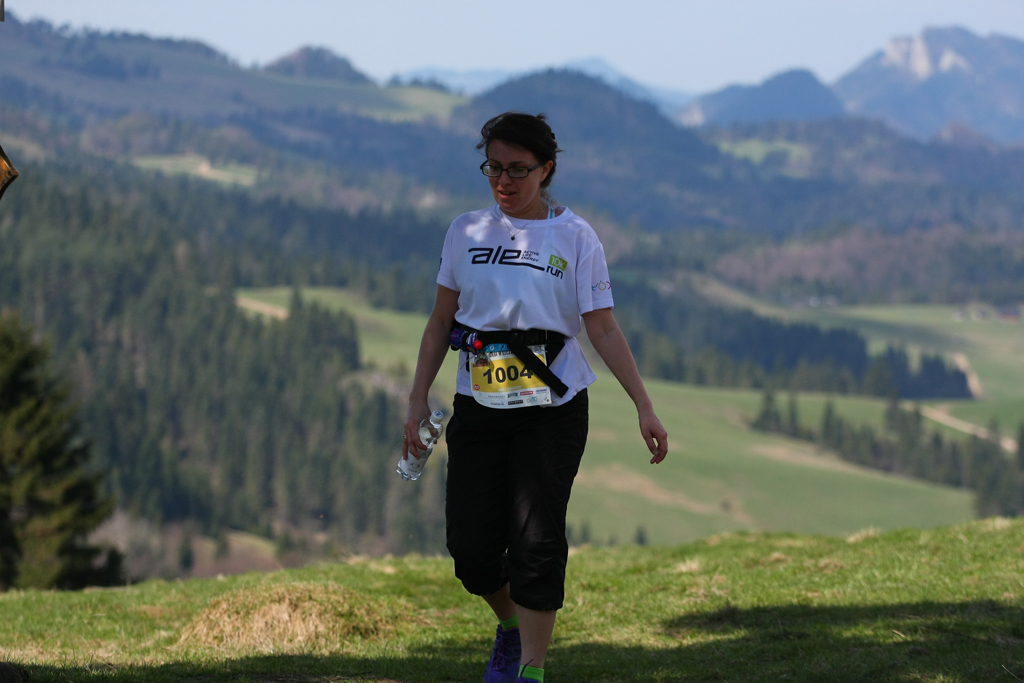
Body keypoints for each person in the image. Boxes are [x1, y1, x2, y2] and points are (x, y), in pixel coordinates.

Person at [403, 111, 668, 683]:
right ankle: (509, 626)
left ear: (546, 170)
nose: (504, 180)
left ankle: (531, 669)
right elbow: (440, 321)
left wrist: (644, 406)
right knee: (471, 550)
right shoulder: (464, 232)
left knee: (536, 541)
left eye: (518, 169)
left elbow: (603, 328)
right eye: (494, 167)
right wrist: (417, 397)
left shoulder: (576, 237)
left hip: (553, 410)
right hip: (479, 406)